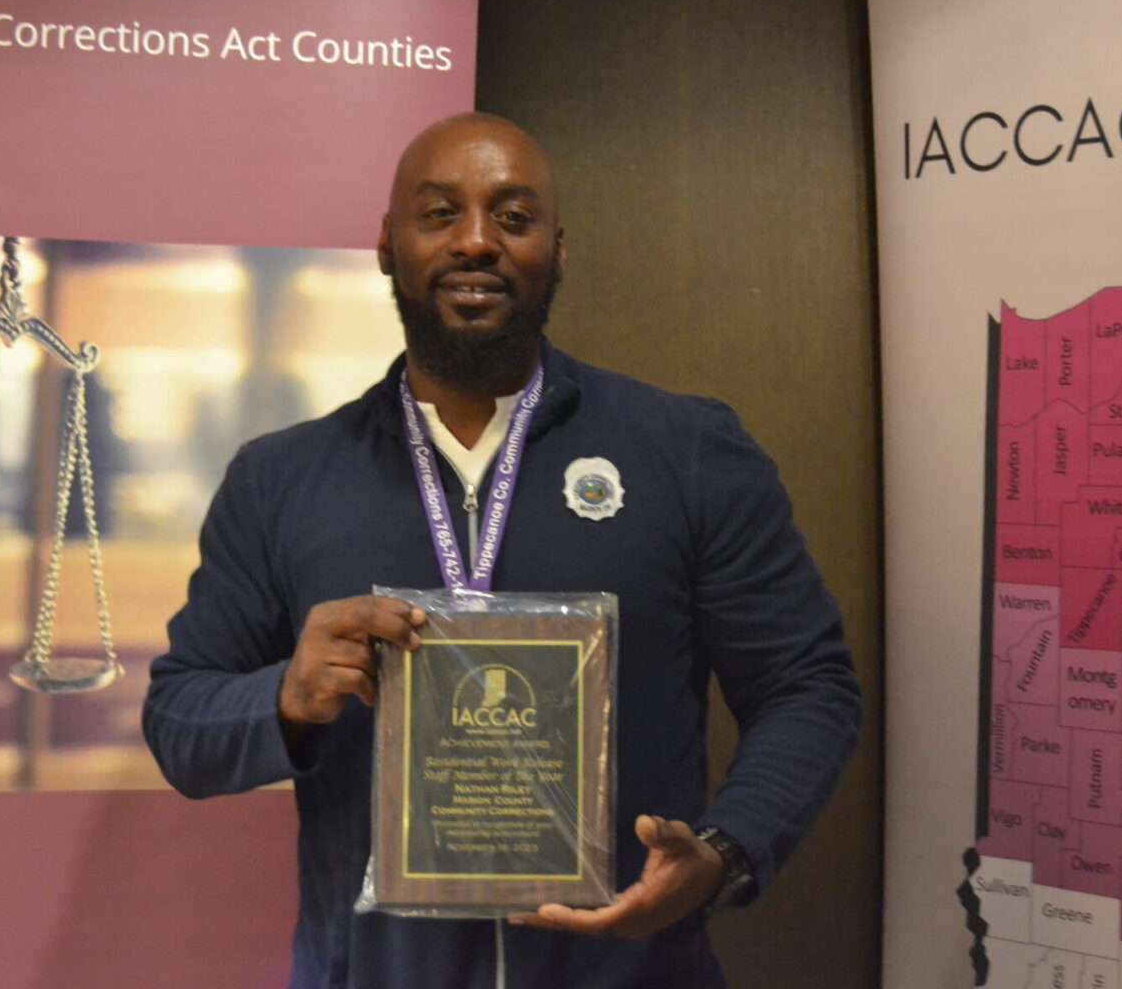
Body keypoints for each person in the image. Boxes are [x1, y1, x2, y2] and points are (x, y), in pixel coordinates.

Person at [143, 115, 860, 987]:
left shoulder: (687, 451)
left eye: (512, 218)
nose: (476, 241)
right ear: (386, 246)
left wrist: (722, 851)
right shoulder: (281, 480)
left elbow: (807, 687)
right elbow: (179, 723)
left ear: (557, 252)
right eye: (440, 214)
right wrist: (284, 698)